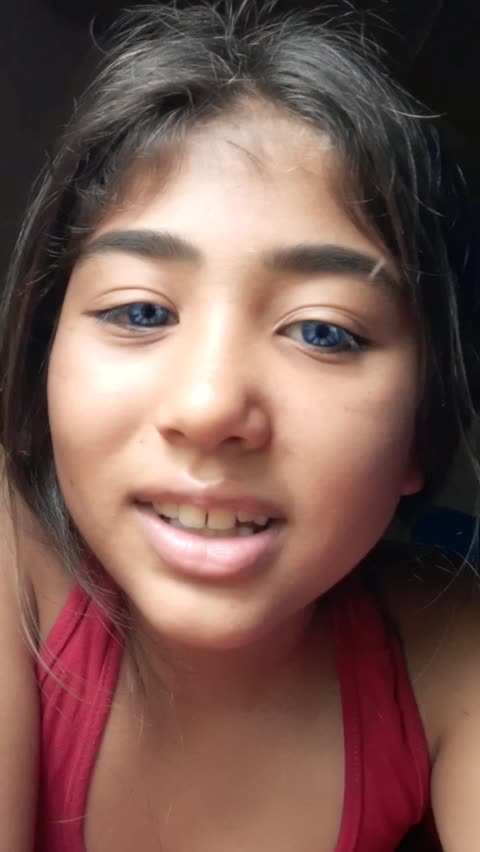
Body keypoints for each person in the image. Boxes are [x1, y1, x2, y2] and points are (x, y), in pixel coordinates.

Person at [0, 2, 478, 850]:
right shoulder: (10, 553)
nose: (210, 407)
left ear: (422, 423)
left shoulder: (448, 653)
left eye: (323, 330)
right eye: (141, 311)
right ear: (44, 370)